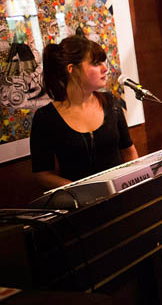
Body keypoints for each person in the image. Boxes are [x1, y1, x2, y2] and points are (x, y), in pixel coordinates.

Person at [30, 35, 138, 190]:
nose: (104, 68)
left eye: (103, 61)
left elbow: (129, 152)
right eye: (96, 63)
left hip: (121, 197)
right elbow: (42, 174)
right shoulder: (45, 118)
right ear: (71, 69)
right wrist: (80, 191)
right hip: (80, 206)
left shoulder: (110, 102)